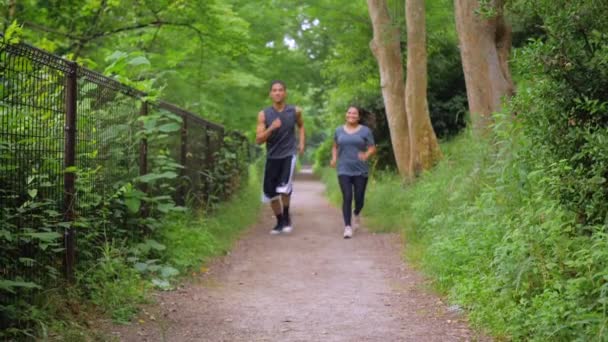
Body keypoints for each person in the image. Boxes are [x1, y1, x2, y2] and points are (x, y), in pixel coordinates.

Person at [255, 80, 305, 235]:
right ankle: (279, 221)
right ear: (270, 94)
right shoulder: (264, 114)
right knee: (270, 193)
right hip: (272, 157)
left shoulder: (294, 111)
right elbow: (258, 140)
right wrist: (271, 128)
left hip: (288, 155)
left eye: (280, 90)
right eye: (274, 90)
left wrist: (302, 143)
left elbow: (301, 126)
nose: (277, 92)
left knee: (284, 188)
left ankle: (286, 217)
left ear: (285, 93)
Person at [330, 106, 376, 239]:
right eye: (349, 113)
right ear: (346, 115)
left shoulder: (365, 131)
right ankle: (347, 227)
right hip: (343, 169)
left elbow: (372, 148)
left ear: (359, 117)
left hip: (360, 169)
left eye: (354, 113)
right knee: (347, 196)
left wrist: (366, 155)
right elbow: (335, 146)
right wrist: (334, 158)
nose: (351, 115)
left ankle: (356, 212)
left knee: (359, 198)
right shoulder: (338, 130)